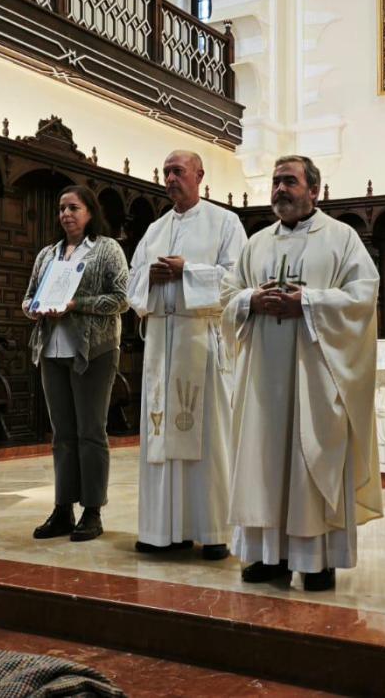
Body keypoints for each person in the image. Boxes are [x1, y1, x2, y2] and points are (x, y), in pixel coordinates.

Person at [221, 155, 383, 592]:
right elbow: (228, 295)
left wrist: (307, 303)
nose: (280, 189)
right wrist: (250, 301)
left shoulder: (341, 238)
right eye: (275, 182)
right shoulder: (256, 243)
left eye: (289, 182)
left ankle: (316, 560)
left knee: (312, 458)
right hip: (262, 379)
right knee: (264, 460)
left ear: (314, 189)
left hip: (315, 374)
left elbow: (363, 297)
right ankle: (265, 555)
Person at [127, 150, 245, 560]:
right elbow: (132, 279)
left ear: (199, 175)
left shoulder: (225, 222)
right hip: (161, 341)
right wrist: (151, 276)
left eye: (178, 171)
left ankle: (212, 531)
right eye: (166, 172)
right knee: (159, 439)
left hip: (201, 341)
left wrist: (187, 271)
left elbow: (237, 280)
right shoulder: (155, 229)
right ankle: (162, 531)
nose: (171, 178)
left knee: (208, 438)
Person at [23, 185, 129, 542]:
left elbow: (121, 299)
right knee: (62, 435)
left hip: (93, 350)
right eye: (61, 208)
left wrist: (75, 304)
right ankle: (63, 508)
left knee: (90, 432)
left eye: (73, 207)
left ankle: (93, 511)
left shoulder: (106, 249)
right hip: (51, 349)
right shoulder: (47, 255)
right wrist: (35, 308)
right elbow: (28, 299)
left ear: (89, 212)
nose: (66, 214)